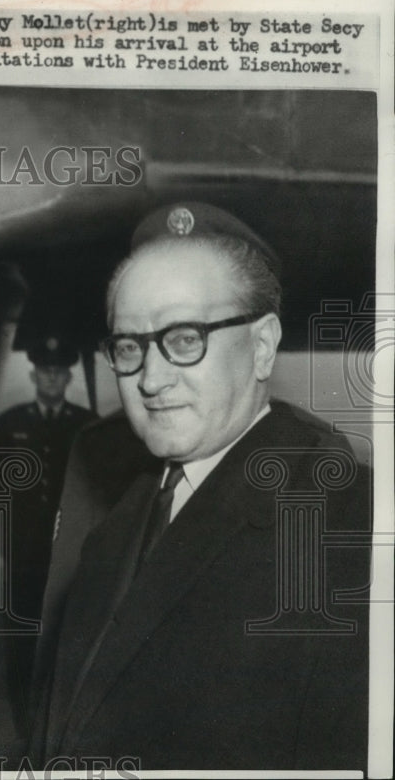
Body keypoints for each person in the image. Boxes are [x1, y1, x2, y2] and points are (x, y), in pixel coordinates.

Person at [29, 202, 371, 771]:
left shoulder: (344, 523)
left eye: (185, 339)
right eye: (130, 347)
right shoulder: (119, 515)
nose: (151, 379)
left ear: (262, 347)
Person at [0, 335, 97, 728]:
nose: (51, 379)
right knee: (19, 634)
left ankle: (53, 720)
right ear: (34, 374)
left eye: (58, 373)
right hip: (21, 551)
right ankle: (21, 721)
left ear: (68, 378)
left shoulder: (85, 425)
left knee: (62, 632)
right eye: (45, 372)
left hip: (68, 553)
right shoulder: (11, 423)